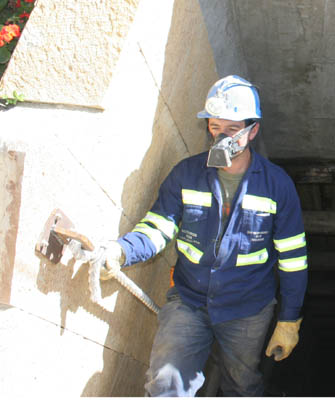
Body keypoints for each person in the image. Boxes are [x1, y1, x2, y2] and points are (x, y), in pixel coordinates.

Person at [93, 75, 308, 396]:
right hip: (189, 300)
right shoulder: (186, 174)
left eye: (233, 130)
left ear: (254, 130)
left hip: (248, 310)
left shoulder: (277, 186)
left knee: (242, 381)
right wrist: (122, 251)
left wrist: (289, 320)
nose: (222, 138)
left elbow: (293, 260)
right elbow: (158, 227)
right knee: (166, 381)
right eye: (215, 128)